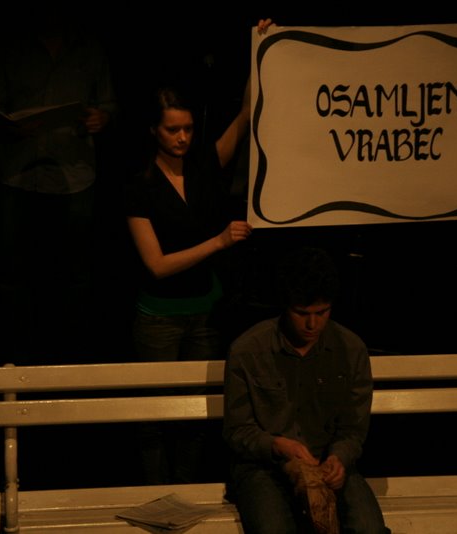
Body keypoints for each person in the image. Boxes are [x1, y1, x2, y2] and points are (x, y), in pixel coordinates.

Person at [124, 19, 274, 484]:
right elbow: (156, 265)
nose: (183, 137)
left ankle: (186, 491)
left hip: (203, 313)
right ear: (155, 131)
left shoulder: (205, 164)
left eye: (188, 128)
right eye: (173, 130)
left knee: (194, 413)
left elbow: (247, 113)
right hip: (160, 319)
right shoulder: (140, 187)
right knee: (153, 417)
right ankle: (157, 493)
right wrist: (218, 241)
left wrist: (261, 46)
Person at [0, 6, 117, 363]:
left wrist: (102, 117)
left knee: (75, 274)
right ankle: (14, 355)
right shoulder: (11, 47)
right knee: (13, 272)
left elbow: (109, 103)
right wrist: (9, 125)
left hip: (74, 173)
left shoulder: (88, 47)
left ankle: (71, 355)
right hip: (19, 172)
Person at [223, 247, 389, 533]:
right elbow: (237, 431)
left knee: (368, 528)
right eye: (301, 314)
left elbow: (352, 429)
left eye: (321, 313)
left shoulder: (350, 349)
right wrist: (278, 445)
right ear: (285, 307)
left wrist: (339, 458)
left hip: (325, 460)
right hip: (264, 467)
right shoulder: (248, 349)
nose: (312, 324)